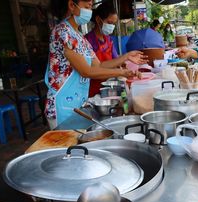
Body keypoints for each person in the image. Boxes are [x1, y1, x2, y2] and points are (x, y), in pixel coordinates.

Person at [46, 0, 137, 129]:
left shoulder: (80, 37)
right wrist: (121, 72)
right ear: (72, 5)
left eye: (90, 6)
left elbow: (98, 66)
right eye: (87, 6)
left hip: (78, 103)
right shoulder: (62, 32)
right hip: (63, 105)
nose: (89, 11)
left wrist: (127, 56)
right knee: (69, 147)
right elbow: (86, 71)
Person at [86, 1, 147, 97]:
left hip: (110, 87)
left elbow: (116, 60)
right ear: (98, 20)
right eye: (109, 22)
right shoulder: (88, 41)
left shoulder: (108, 39)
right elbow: (98, 67)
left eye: (114, 23)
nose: (112, 27)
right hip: (94, 90)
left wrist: (129, 69)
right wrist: (126, 56)